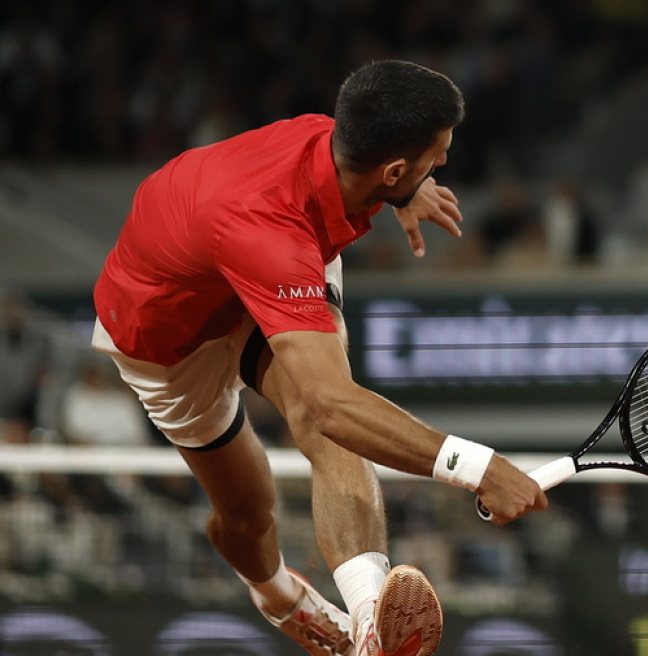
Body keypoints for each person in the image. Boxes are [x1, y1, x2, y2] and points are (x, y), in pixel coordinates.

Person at [90, 59, 548, 656]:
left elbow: (326, 415)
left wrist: (405, 193)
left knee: (326, 428)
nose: (443, 165)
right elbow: (336, 405)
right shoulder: (271, 229)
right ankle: (279, 596)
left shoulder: (334, 139)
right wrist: (479, 467)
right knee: (249, 514)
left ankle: (366, 623)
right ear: (392, 169)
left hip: (263, 267)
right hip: (169, 336)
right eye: (436, 157)